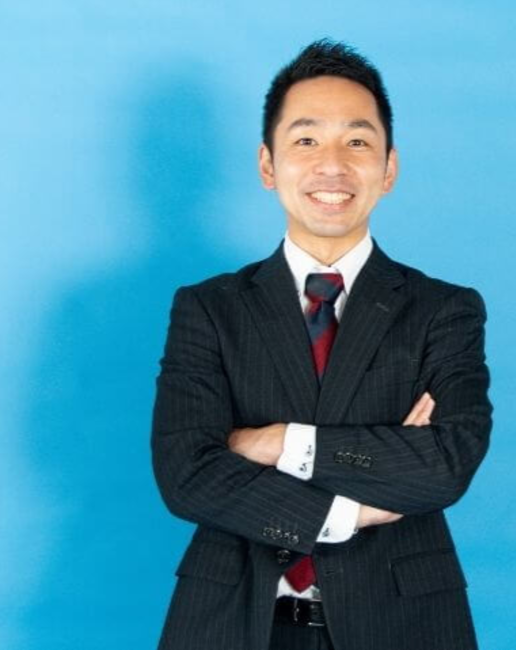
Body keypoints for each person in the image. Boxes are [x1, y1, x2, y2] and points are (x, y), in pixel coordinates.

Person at [151, 38, 492, 650]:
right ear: (267, 165)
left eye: (357, 142)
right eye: (306, 140)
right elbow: (186, 474)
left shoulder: (443, 309)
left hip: (402, 623)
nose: (332, 165)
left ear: (389, 168)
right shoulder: (209, 309)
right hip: (235, 620)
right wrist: (351, 511)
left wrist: (280, 442)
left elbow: (445, 463)